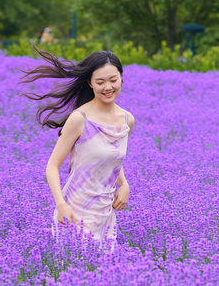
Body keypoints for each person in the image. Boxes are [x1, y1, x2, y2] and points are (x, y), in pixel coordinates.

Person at [19, 46, 135, 247]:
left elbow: (112, 158)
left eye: (113, 80)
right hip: (74, 212)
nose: (108, 87)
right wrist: (61, 205)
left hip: (105, 215)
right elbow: (52, 167)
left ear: (121, 78)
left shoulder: (127, 120)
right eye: (100, 82)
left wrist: (124, 185)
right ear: (90, 83)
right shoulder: (79, 119)